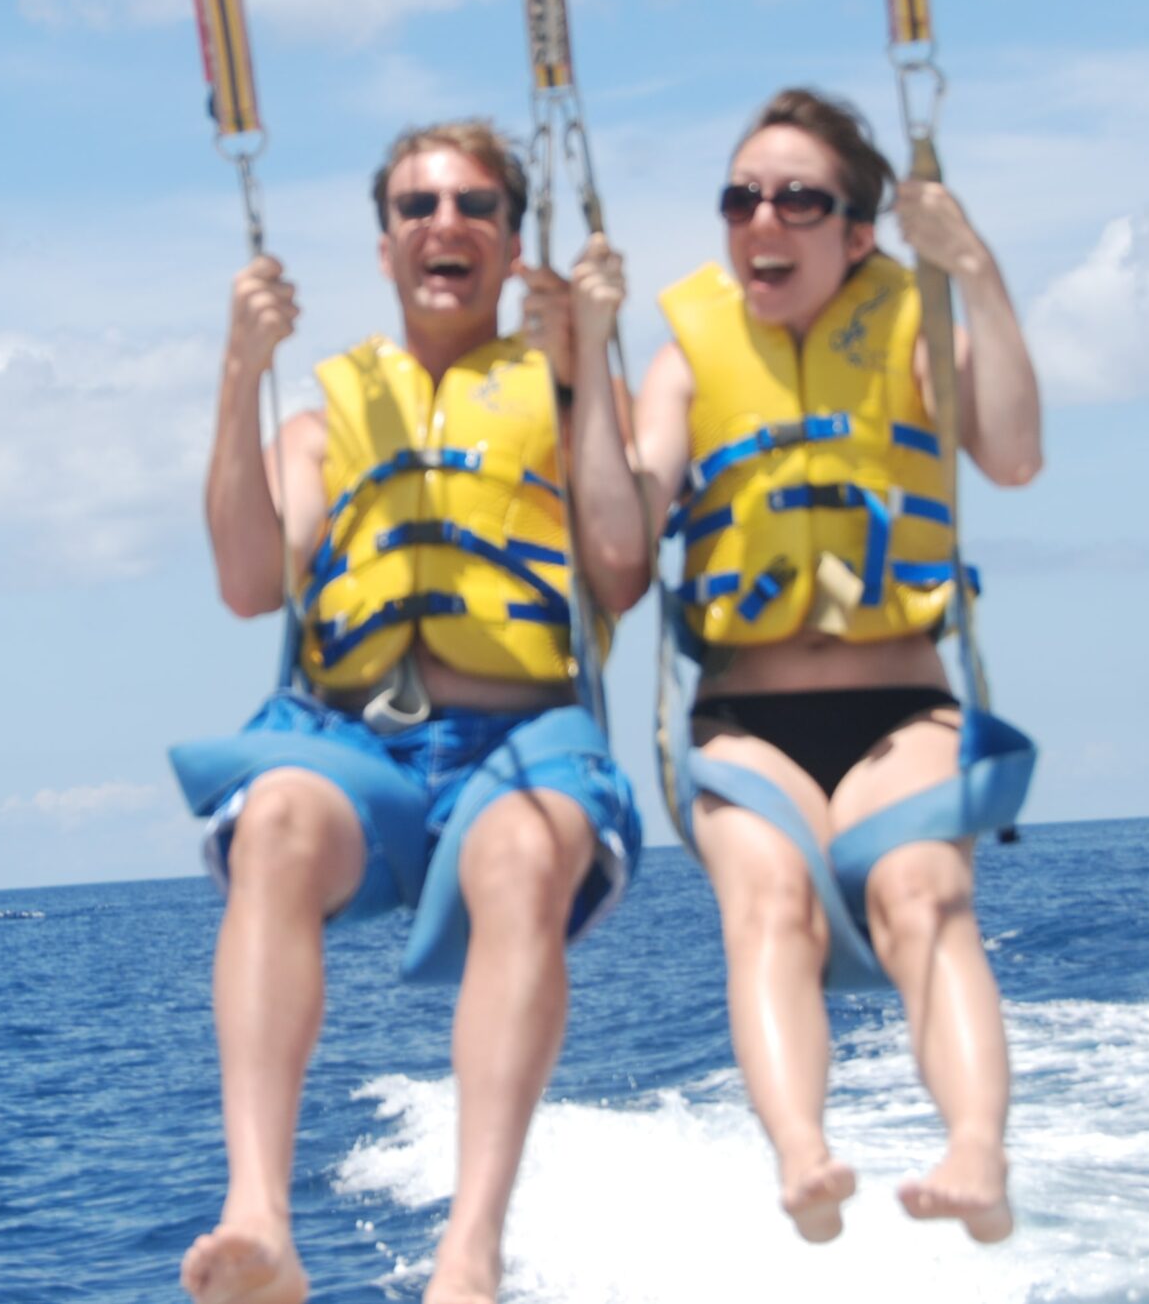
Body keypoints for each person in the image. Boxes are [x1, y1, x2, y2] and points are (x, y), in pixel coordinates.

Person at [168, 119, 648, 1304]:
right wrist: (240, 368)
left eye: (476, 205)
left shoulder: (567, 387)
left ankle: (470, 1253)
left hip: (521, 743)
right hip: (349, 752)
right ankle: (260, 1221)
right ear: (383, 246)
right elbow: (243, 581)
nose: (447, 224)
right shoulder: (322, 420)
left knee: (530, 849)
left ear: (511, 243)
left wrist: (586, 366)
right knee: (273, 820)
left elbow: (621, 565)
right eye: (418, 206)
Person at [630, 87, 1044, 1246]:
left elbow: (1010, 454)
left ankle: (974, 1150)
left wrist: (975, 274)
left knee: (925, 893)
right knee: (768, 907)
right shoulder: (682, 365)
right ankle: (802, 1151)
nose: (763, 216)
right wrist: (577, 368)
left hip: (899, 704)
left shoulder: (918, 329)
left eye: (797, 198)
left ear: (857, 232)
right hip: (741, 723)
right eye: (740, 195)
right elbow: (620, 533)